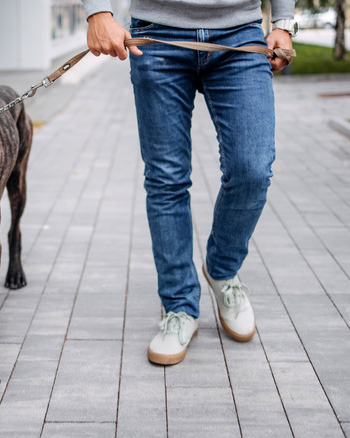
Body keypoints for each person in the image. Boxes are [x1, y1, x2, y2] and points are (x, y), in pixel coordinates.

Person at [81, 0, 295, 365]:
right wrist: (98, 10)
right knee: (166, 179)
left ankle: (222, 270)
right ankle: (179, 306)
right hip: (156, 34)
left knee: (252, 169)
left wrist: (284, 21)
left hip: (240, 33)